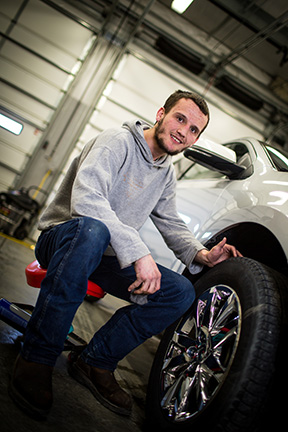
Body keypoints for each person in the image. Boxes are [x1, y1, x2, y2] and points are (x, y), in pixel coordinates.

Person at [9, 90, 242, 419]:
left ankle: (94, 362)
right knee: (93, 231)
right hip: (64, 238)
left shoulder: (166, 172)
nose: (183, 131)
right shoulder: (116, 141)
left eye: (194, 130)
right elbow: (87, 201)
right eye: (180, 118)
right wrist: (138, 252)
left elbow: (171, 222)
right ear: (161, 113)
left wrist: (203, 255)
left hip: (104, 256)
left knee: (179, 293)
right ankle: (36, 355)